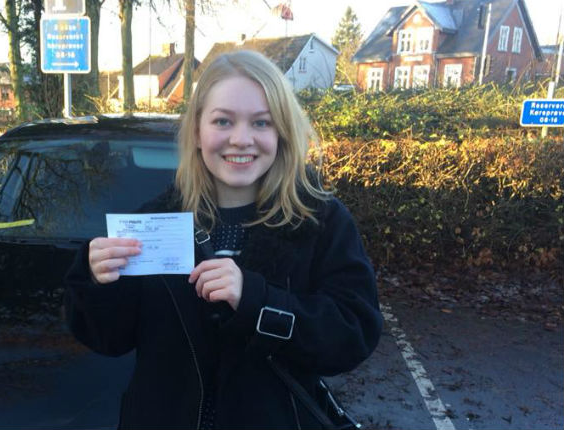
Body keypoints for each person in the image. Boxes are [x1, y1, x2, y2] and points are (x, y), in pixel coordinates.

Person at [65, 50, 382, 429]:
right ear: (197, 132)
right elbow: (109, 340)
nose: (241, 139)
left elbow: (354, 333)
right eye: (223, 121)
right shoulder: (153, 224)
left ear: (281, 133)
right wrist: (96, 281)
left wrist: (256, 300)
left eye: (261, 122)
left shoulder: (319, 221)